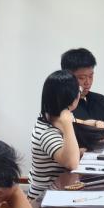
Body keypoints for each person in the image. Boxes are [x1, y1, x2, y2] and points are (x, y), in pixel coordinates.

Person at [28, 70, 82, 199]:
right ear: (71, 98)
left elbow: (81, 124)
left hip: (59, 191)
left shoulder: (52, 116)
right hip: (43, 200)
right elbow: (72, 163)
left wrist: (96, 123)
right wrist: (67, 124)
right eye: (78, 90)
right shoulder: (47, 132)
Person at [62, 48, 104, 134]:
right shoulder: (61, 105)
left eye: (91, 76)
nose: (88, 82)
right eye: (82, 78)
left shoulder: (103, 101)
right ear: (67, 76)